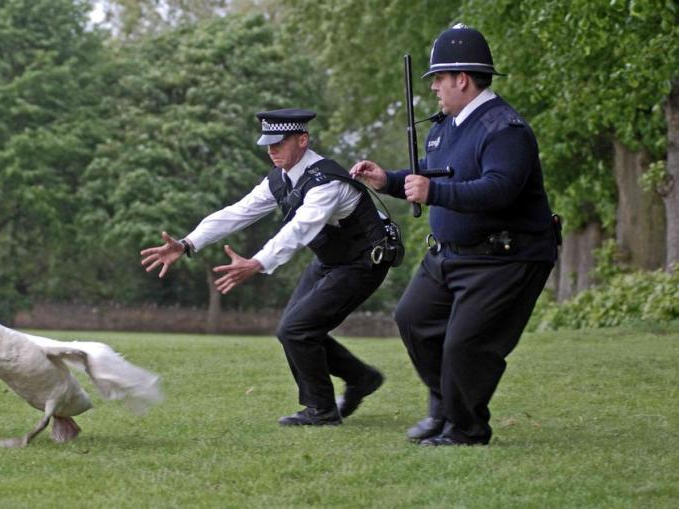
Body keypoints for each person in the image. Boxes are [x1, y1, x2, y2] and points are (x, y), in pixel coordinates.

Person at [351, 25, 559, 446]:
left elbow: (499, 189)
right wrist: (386, 180)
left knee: (466, 346)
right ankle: (445, 407)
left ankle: (466, 429)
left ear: (461, 79)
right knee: (413, 319)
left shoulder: (506, 129)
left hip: (506, 256)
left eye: (438, 80)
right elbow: (432, 175)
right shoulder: (445, 127)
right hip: (450, 254)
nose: (433, 89)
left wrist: (435, 192)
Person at [141, 108, 392, 426]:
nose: (271, 150)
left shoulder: (325, 182)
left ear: (303, 140)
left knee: (296, 330)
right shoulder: (282, 179)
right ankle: (361, 378)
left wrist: (259, 262)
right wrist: (187, 243)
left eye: (279, 142)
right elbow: (238, 212)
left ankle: (322, 410)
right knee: (292, 330)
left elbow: (300, 229)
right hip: (332, 260)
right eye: (268, 143)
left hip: (363, 263)